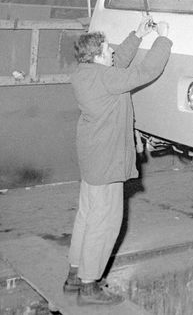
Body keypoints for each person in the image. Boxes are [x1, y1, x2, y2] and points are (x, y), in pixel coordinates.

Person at [63, 19, 172, 306]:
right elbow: (147, 70)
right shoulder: (106, 79)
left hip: (91, 157)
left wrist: (137, 34)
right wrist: (162, 39)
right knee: (106, 222)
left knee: (87, 216)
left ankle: (75, 275)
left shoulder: (85, 73)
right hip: (107, 159)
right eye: (106, 49)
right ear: (97, 55)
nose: (111, 51)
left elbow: (117, 62)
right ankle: (89, 286)